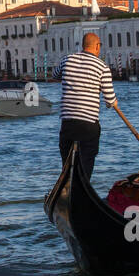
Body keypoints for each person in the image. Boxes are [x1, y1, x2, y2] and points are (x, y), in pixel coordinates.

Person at [53, 31, 118, 180]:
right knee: (86, 162)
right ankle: (83, 186)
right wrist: (114, 102)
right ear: (97, 46)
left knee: (67, 164)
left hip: (68, 122)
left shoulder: (67, 60)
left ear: (83, 46)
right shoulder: (102, 67)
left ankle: (68, 188)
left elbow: (55, 75)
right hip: (88, 123)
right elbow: (109, 101)